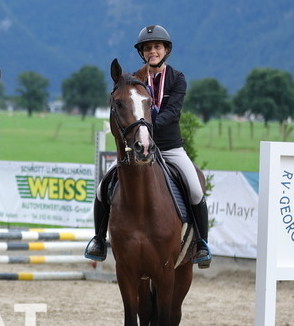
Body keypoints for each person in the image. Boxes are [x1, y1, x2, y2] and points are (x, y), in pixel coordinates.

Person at [84, 24, 211, 268]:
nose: (153, 51)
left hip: (169, 148)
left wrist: (146, 127)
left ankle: (201, 244)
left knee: (195, 189)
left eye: (157, 47)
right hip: (137, 150)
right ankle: (99, 240)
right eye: (148, 48)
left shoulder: (177, 79)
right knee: (102, 189)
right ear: (142, 53)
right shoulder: (132, 80)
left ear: (166, 50)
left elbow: (172, 113)